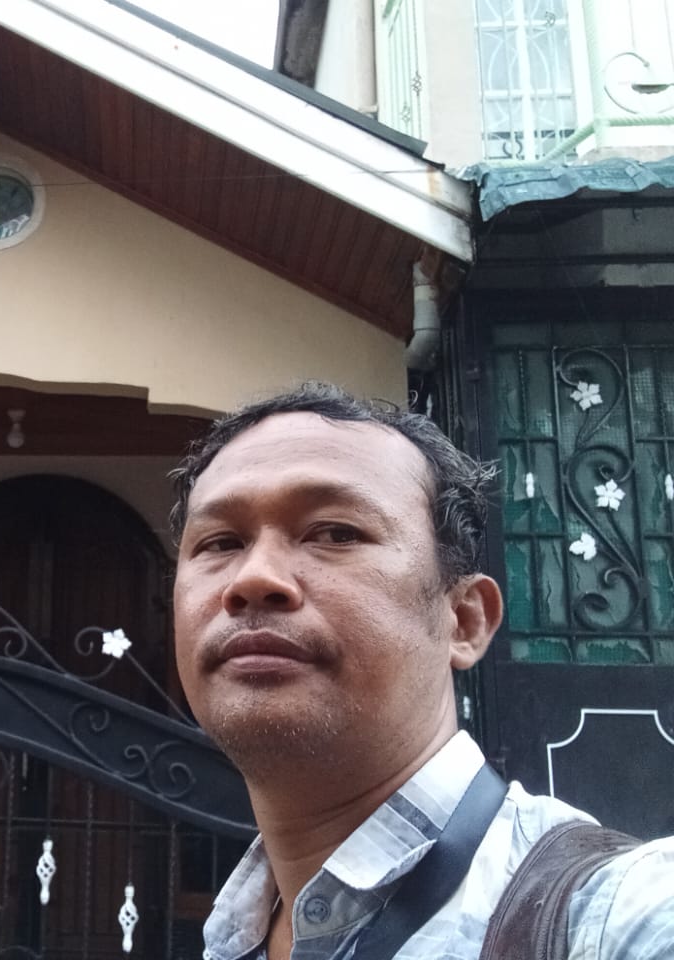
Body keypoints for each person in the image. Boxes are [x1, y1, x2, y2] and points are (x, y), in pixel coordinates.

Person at [168, 381, 674, 960]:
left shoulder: (616, 915)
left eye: (336, 533)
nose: (253, 578)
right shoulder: (232, 939)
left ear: (464, 620)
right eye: (220, 542)